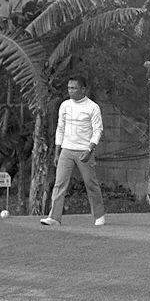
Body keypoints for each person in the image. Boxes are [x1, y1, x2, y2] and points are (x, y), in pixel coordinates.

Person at [41, 76, 106, 226]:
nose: (70, 91)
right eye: (69, 88)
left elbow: (98, 130)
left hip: (85, 150)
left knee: (91, 183)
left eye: (74, 88)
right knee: (59, 183)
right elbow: (60, 128)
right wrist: (57, 152)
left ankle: (99, 215)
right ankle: (54, 218)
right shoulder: (64, 105)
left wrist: (90, 149)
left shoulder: (93, 107)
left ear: (83, 89)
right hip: (66, 150)